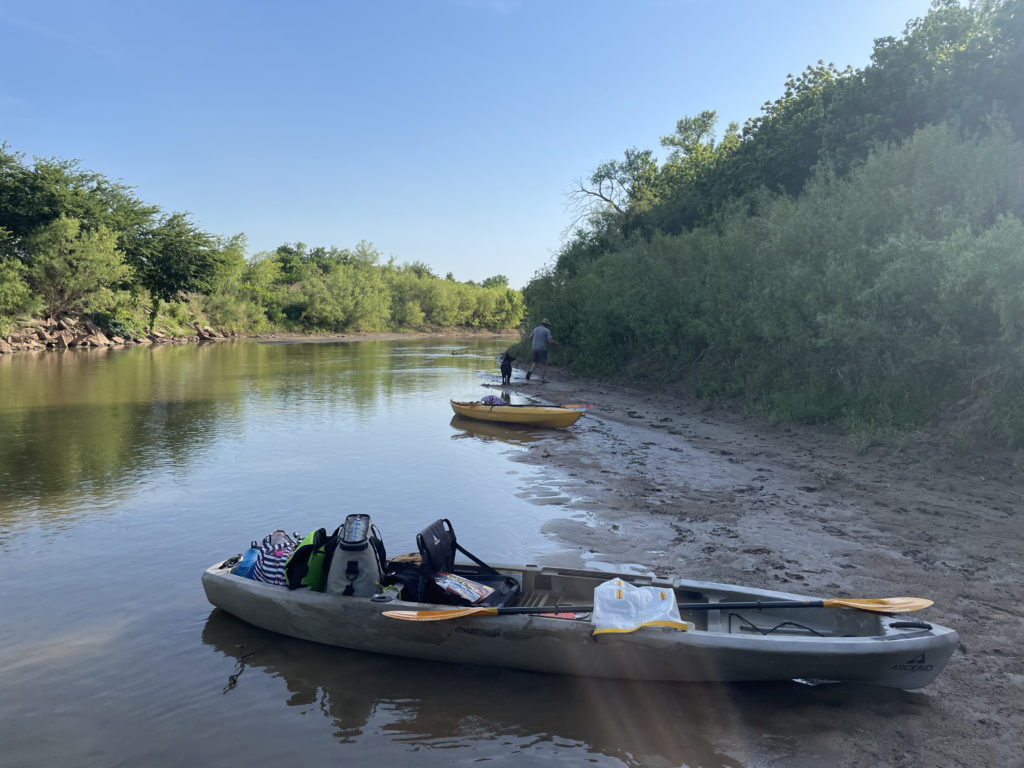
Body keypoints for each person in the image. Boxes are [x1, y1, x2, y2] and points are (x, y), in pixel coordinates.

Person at [525, 318, 557, 382]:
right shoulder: (547, 331)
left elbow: (530, 338)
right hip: (542, 349)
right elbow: (550, 341)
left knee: (535, 362)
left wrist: (536, 340)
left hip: (534, 348)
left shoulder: (535, 329)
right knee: (544, 364)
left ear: (542, 323)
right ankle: (542, 379)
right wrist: (556, 343)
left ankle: (530, 371)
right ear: (547, 325)